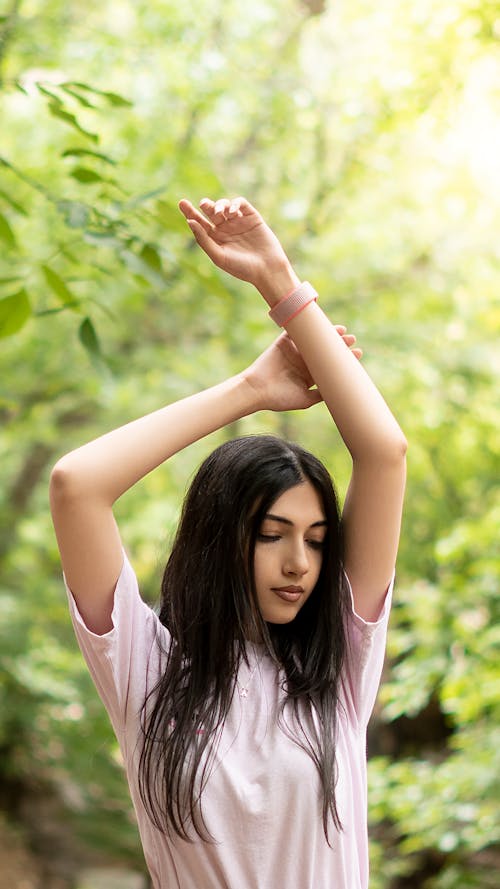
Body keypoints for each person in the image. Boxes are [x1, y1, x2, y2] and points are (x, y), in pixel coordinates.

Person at [50, 196, 407, 889]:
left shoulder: (338, 666)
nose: (300, 562)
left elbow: (384, 452)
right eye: (271, 535)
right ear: (220, 542)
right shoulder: (146, 673)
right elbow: (76, 484)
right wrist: (249, 389)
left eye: (316, 539)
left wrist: (280, 282)